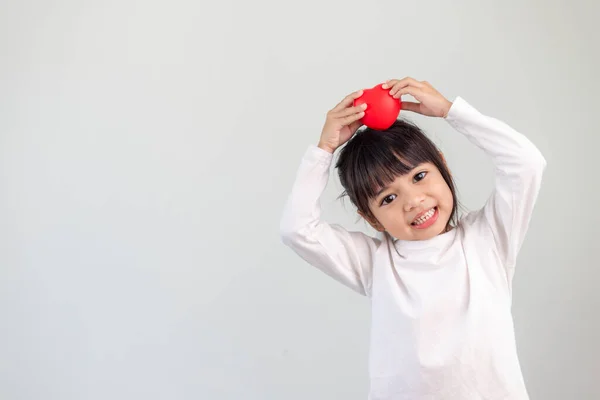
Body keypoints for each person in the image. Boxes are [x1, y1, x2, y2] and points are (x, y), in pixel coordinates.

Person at [279, 77, 547, 399]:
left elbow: (526, 164)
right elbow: (297, 229)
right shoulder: (376, 264)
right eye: (387, 199)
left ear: (442, 165)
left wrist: (451, 111)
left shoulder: (488, 239)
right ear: (369, 217)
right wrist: (324, 150)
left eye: (419, 176)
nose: (413, 201)